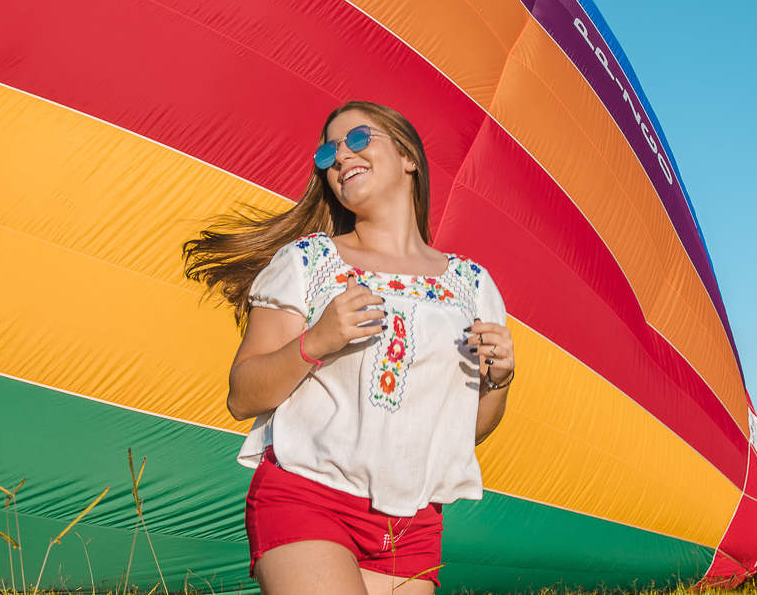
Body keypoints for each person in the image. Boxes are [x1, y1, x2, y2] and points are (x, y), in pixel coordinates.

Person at [184, 101, 515, 595]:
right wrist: (318, 340)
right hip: (308, 498)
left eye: (358, 139)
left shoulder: (472, 285)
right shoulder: (309, 261)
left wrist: (499, 381)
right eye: (328, 152)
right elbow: (242, 396)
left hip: (413, 521)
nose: (339, 156)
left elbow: (465, 432)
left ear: (408, 157)